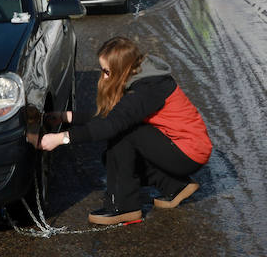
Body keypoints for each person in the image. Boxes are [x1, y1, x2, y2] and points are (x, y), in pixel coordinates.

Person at [39, 37, 212, 225]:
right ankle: (175, 185)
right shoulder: (140, 76)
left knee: (123, 135)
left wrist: (61, 138)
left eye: (107, 71)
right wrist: (66, 117)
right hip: (181, 146)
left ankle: (123, 206)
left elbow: (111, 125)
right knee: (114, 155)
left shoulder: (146, 89)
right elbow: (111, 117)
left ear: (122, 69)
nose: (104, 77)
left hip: (189, 152)